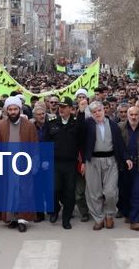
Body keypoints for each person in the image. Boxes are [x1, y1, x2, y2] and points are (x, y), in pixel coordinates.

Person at [0, 97, 39, 233]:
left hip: (23, 163)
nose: (13, 112)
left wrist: (35, 163)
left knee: (24, 191)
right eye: (10, 109)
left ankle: (22, 219)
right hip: (7, 165)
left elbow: (34, 146)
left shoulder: (29, 125)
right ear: (7, 110)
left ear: (20, 109)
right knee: (9, 191)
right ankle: (12, 218)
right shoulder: (0, 126)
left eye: (15, 109)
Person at [82, 101, 132, 230]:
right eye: (94, 112)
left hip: (110, 161)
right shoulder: (87, 125)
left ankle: (109, 215)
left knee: (110, 192)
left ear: (104, 110)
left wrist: (126, 158)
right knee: (94, 192)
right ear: (91, 114)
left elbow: (120, 144)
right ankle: (98, 218)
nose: (97, 113)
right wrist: (81, 111)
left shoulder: (113, 125)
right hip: (92, 161)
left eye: (99, 110)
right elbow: (79, 137)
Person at [44, 96, 86, 229]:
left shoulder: (75, 122)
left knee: (69, 191)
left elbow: (82, 139)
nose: (61, 109)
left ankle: (66, 218)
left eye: (63, 107)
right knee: (55, 189)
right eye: (59, 107)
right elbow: (46, 141)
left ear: (70, 109)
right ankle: (55, 210)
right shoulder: (51, 121)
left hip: (70, 163)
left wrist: (82, 112)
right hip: (55, 162)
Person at [118, 106, 139, 230]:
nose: (134, 117)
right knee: (124, 192)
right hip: (124, 165)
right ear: (127, 115)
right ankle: (127, 212)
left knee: (138, 193)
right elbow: (119, 146)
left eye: (136, 114)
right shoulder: (120, 127)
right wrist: (125, 158)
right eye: (131, 114)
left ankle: (135, 220)